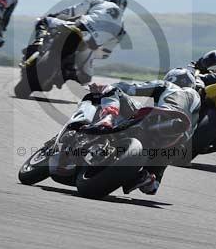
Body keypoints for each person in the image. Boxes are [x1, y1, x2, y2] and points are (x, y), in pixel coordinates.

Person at [85, 67, 203, 195]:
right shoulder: (196, 99)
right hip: (178, 142)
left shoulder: (167, 85)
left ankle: (107, 118)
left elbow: (132, 88)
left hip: (160, 117)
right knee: (152, 186)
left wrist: (103, 87)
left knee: (113, 91)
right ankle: (147, 178)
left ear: (170, 78)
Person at [26, 0, 127, 84]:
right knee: (86, 78)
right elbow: (105, 53)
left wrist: (54, 15)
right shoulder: (122, 28)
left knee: (43, 21)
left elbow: (70, 11)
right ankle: (69, 72)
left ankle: (38, 42)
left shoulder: (97, 2)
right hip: (92, 44)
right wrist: (93, 53)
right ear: (124, 6)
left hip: (80, 26)